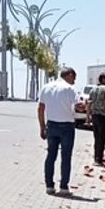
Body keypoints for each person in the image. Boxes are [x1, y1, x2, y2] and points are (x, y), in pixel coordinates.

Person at [38, 67, 78, 196]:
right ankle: (64, 187)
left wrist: (42, 127)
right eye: (74, 78)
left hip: (52, 125)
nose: (74, 81)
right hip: (67, 126)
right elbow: (78, 105)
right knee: (66, 157)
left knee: (51, 156)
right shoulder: (69, 89)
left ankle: (49, 186)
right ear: (69, 75)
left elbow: (40, 108)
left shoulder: (46, 87)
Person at [86, 73, 105, 166]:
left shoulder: (93, 89)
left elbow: (89, 103)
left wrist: (88, 117)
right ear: (104, 80)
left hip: (94, 116)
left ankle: (97, 157)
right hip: (103, 116)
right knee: (102, 138)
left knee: (96, 138)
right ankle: (98, 160)